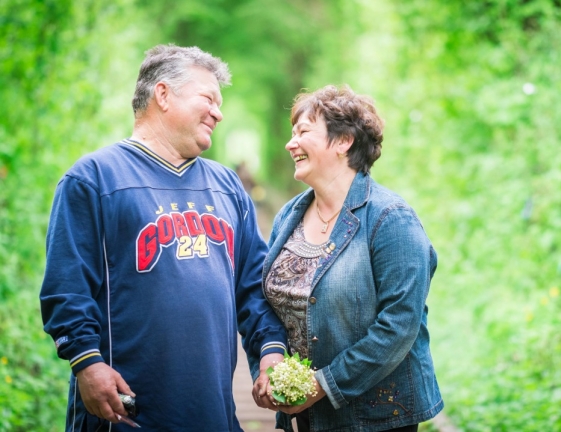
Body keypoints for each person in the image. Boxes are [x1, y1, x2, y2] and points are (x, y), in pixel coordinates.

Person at [40, 44, 286, 431]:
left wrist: (271, 349)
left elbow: (254, 288)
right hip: (125, 412)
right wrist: (86, 362)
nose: (219, 113)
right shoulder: (94, 179)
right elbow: (65, 289)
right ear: (163, 94)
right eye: (208, 98)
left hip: (213, 412)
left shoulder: (228, 187)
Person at [260, 85, 444, 431]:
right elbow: (267, 301)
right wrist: (270, 362)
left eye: (303, 132)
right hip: (304, 418)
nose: (290, 143)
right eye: (291, 133)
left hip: (374, 417)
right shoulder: (289, 216)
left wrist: (323, 384)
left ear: (343, 141)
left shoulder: (391, 220)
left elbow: (399, 327)